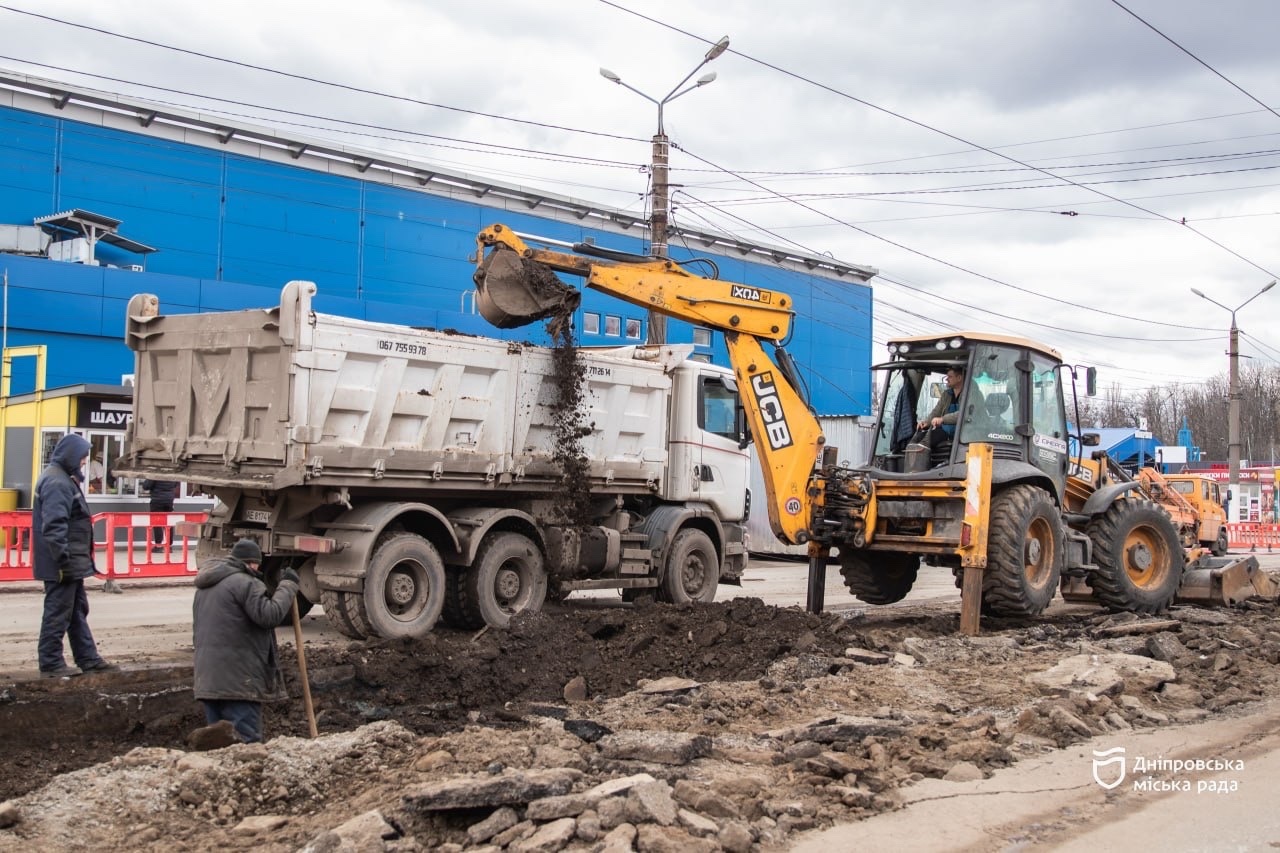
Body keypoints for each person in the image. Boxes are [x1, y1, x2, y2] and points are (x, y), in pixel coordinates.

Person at [192, 538, 298, 743]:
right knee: (245, 744)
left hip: (207, 680)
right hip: (238, 682)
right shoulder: (246, 583)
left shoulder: (204, 588)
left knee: (217, 742)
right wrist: (288, 586)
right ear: (252, 563)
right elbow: (270, 615)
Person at [33, 433, 117, 678]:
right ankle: (50, 664)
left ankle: (88, 659)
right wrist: (63, 562)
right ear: (70, 455)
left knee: (76, 611)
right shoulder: (57, 483)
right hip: (62, 564)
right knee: (58, 613)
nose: (83, 462)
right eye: (81, 457)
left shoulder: (62, 479)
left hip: (69, 562)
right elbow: (54, 527)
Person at [916, 363, 983, 448]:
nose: (947, 379)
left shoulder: (973, 395)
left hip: (968, 434)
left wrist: (943, 419)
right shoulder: (946, 394)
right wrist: (926, 422)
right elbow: (937, 411)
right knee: (920, 439)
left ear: (959, 378)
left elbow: (966, 414)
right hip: (948, 431)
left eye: (950, 377)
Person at [141, 479, 178, 551]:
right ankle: (169, 546)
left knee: (157, 523)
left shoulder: (155, 474)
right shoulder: (172, 473)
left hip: (157, 500)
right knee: (168, 523)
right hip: (169, 500)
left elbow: (146, 486)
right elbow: (176, 484)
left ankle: (158, 546)